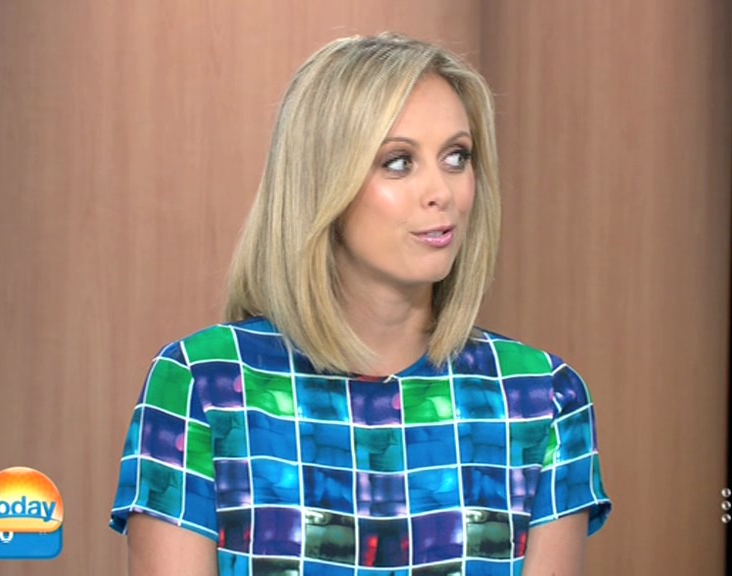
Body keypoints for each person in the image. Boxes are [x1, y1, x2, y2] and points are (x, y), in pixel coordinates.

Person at [110, 32, 611, 576]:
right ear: (323, 180)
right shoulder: (202, 385)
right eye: (398, 162)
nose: (441, 192)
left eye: (456, 156)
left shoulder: (542, 397)